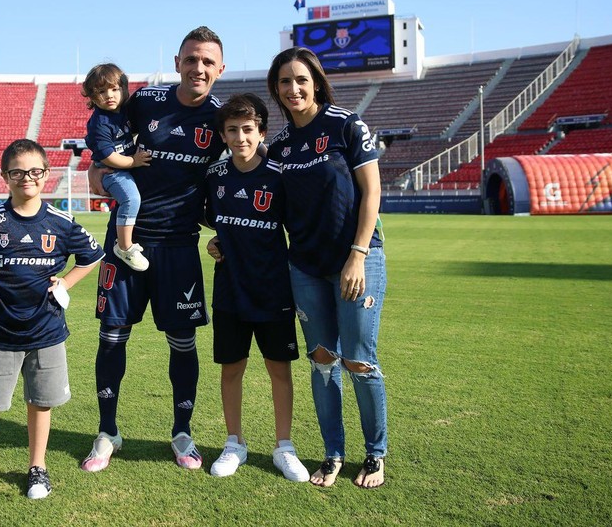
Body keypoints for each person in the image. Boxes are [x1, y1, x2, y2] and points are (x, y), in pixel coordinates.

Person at [81, 26, 227, 472]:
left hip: (181, 246)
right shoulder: (145, 101)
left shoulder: (222, 119)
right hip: (127, 242)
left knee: (182, 342)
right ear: (178, 61)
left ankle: (182, 433)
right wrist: (97, 172)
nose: (198, 68)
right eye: (191, 59)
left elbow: (238, 171)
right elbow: (103, 142)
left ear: (219, 69)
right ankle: (107, 432)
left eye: (207, 61)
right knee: (111, 337)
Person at [0, 138, 104, 500]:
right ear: (5, 177)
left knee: (39, 402)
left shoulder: (62, 222)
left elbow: (92, 255)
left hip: (47, 330)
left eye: (34, 171)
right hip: (0, 330)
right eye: (17, 172)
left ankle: (37, 469)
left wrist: (67, 281)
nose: (26, 178)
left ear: (46, 175)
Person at [265, 47, 388, 489]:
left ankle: (375, 454)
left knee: (358, 359)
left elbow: (371, 193)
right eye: (284, 82)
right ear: (275, 90)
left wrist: (357, 254)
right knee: (321, 361)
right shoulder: (277, 146)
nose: (293, 89)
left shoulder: (345, 124)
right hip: (306, 267)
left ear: (316, 81)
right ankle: (333, 453)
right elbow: (270, 209)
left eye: (300, 79)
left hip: (357, 259)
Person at [203, 93, 309, 482]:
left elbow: (296, 228)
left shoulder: (279, 175)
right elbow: (215, 224)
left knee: (278, 368)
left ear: (261, 131)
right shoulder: (214, 177)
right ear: (223, 134)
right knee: (232, 368)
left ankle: (285, 446)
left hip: (273, 289)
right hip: (230, 288)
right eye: (232, 130)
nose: (241, 137)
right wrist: (214, 243)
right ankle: (234, 443)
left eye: (248, 129)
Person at [82, 63, 153, 272]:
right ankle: (124, 246)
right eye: (101, 92)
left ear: (123, 89)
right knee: (131, 199)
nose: (109, 95)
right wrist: (134, 161)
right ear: (93, 98)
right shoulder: (100, 122)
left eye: (114, 89)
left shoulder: (123, 111)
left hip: (122, 167)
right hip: (113, 170)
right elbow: (108, 156)